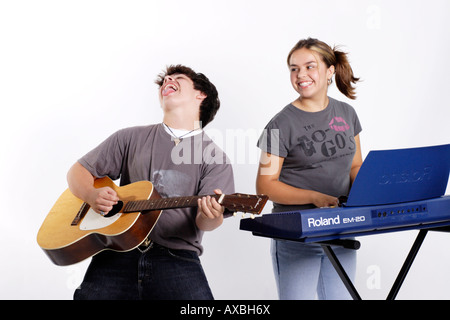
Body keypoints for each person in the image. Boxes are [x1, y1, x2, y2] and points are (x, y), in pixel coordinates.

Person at [67, 64, 235, 300]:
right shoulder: (129, 137)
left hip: (177, 258)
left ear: (201, 94)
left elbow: (207, 223)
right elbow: (78, 171)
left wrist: (211, 214)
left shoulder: (216, 160)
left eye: (177, 78)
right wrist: (91, 195)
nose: (167, 79)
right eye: (165, 79)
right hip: (117, 251)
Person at [256, 38, 363, 300]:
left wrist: (370, 192)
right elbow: (265, 185)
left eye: (309, 66)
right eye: (294, 68)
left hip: (341, 228)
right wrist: (314, 197)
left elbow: (356, 165)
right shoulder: (279, 125)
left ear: (330, 71)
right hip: (297, 233)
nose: (300, 74)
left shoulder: (347, 113)